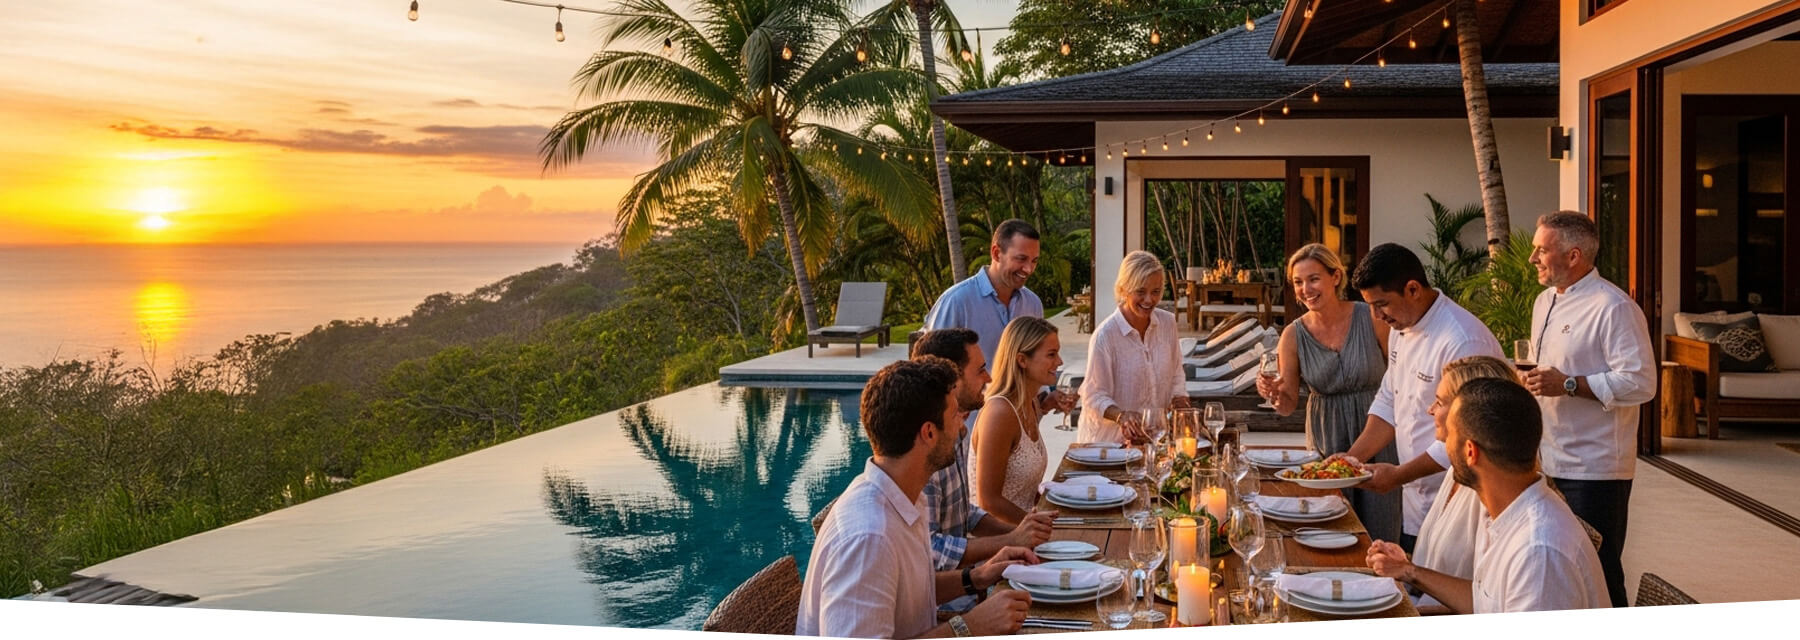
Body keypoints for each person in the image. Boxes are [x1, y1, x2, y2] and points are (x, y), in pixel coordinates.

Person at [797, 358, 1037, 638]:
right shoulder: (868, 539)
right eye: (955, 414)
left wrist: (975, 578)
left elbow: (910, 592)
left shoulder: (903, 496)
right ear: (929, 432)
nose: (962, 425)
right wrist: (968, 626)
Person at [1365, 378, 1609, 614]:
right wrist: (1408, 571)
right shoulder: (1505, 510)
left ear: (1470, 452)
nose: (1444, 445)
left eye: (1448, 436)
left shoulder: (1538, 553)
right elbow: (1486, 601)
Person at [1520, 211, 1655, 608]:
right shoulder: (1544, 302)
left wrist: (1567, 384)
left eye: (1541, 250)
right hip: (1547, 459)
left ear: (1574, 255)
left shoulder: (1613, 307)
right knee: (1559, 570)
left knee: (1598, 571)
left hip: (1594, 469)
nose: (1533, 259)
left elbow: (1641, 382)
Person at [1342, 243, 1504, 551]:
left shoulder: (1462, 340)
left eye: (1382, 304)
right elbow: (1390, 400)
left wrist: (1398, 475)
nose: (1376, 315)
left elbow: (1469, 435)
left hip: (1460, 501)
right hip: (1414, 499)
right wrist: (1352, 460)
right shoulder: (1400, 327)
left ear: (1413, 289)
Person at [1256, 243, 1400, 543]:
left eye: (1314, 279)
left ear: (1336, 277)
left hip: (1377, 431)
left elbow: (1399, 378)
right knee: (1329, 528)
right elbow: (1287, 405)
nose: (1305, 289)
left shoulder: (1371, 317)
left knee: (1381, 529)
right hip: (1326, 439)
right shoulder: (1293, 335)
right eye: (1298, 282)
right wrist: (1274, 394)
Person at [912, 329, 1055, 573]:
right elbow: (928, 550)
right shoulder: (924, 449)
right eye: (980, 370)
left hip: (970, 585)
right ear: (949, 380)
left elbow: (964, 513)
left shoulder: (957, 434)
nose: (988, 378)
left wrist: (1027, 531)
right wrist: (1011, 540)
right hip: (949, 603)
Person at [1410, 355, 1524, 612]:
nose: (1430, 410)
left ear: (1469, 411)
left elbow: (1491, 606)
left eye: (1439, 402)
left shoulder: (1494, 492)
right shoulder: (1459, 470)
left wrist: (1402, 613)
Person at [1077, 251, 1188, 444]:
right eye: (1140, 291)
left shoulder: (1168, 323)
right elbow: (1093, 395)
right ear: (1123, 289)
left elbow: (1176, 375)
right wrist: (1122, 416)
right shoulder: (1105, 336)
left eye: (1156, 291)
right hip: (1110, 445)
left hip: (1155, 440)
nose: (1149, 300)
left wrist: (1180, 401)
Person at [972, 317, 1062, 525]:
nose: (1059, 362)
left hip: (1024, 532)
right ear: (1022, 360)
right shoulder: (999, 413)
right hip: (1000, 542)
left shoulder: (1029, 404)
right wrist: (1040, 527)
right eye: (1051, 355)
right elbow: (988, 501)